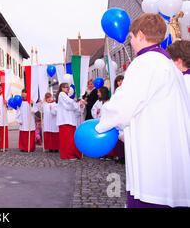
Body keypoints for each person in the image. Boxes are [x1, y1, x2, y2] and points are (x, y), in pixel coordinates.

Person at [95, 13, 190, 208]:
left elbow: (124, 106)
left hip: (154, 159)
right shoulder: (168, 65)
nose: (131, 42)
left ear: (139, 34)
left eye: (131, 38)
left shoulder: (145, 63)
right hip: (169, 151)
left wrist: (102, 124)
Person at [56, 83, 85, 160]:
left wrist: (79, 105)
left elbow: (73, 107)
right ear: (61, 88)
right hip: (65, 120)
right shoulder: (61, 94)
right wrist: (76, 102)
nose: (67, 89)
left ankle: (70, 154)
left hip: (70, 120)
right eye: (65, 87)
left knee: (70, 139)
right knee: (68, 140)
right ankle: (68, 155)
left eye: (68, 87)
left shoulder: (67, 97)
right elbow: (68, 105)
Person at [0, 83, 8, 151]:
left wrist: (7, 103)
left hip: (3, 117)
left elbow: (9, 107)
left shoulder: (5, 96)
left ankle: (3, 146)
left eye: (0, 88)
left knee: (3, 132)